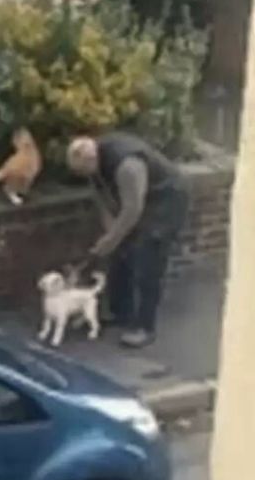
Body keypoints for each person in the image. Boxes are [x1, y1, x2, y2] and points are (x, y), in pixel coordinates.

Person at [66, 132, 188, 349]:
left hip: (165, 200)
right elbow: (101, 197)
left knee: (149, 260)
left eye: (85, 171)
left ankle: (144, 327)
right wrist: (109, 230)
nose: (85, 176)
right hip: (140, 199)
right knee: (122, 253)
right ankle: (120, 312)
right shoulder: (93, 162)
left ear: (92, 159)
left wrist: (112, 238)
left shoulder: (127, 166)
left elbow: (132, 209)